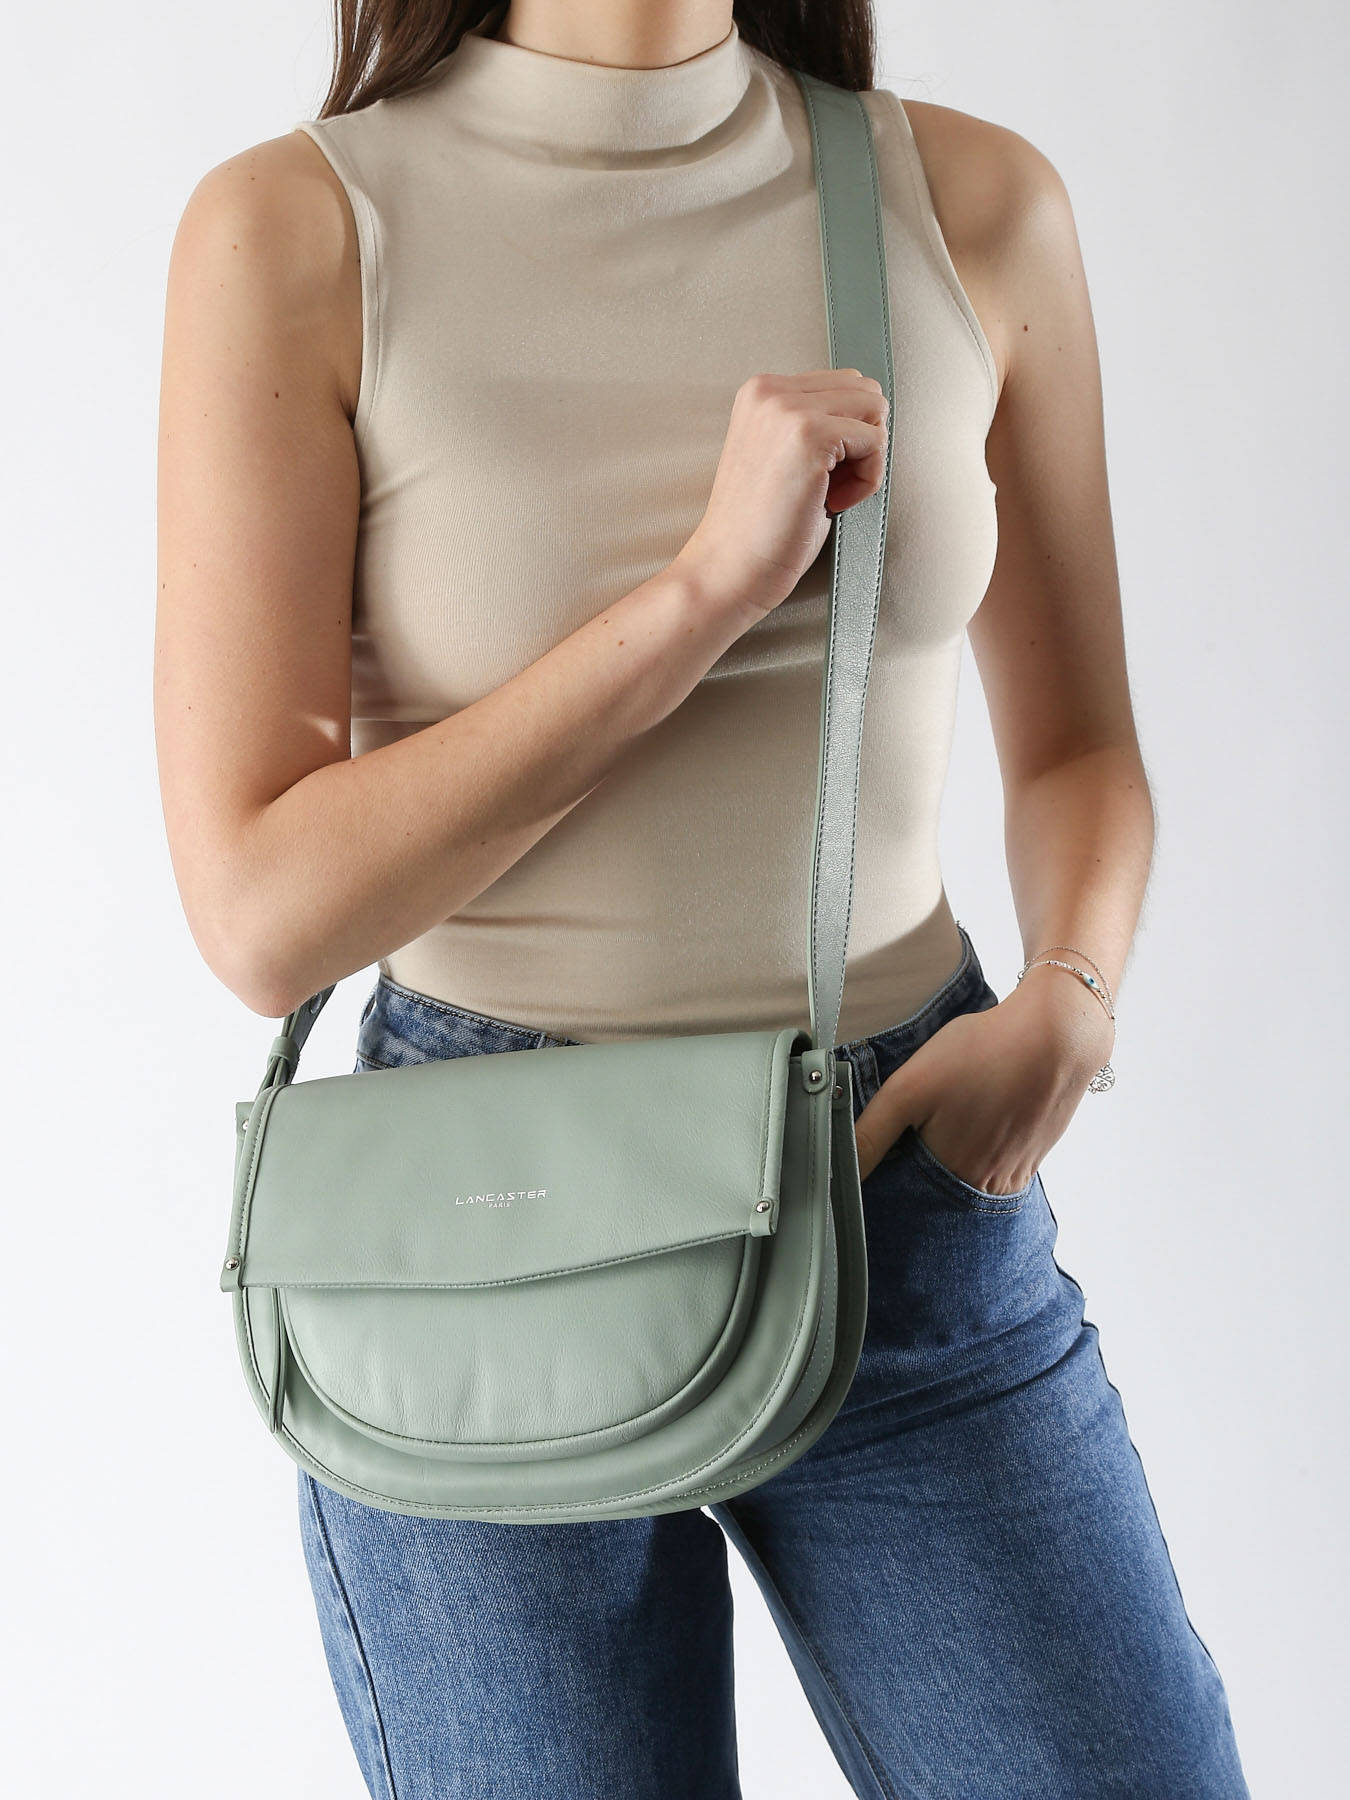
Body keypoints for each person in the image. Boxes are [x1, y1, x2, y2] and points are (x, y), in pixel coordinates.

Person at [154, 1, 1251, 1793]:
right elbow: (262, 911)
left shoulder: (969, 201)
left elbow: (1075, 747)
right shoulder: (295, 230)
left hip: (904, 1178)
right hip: (486, 1227)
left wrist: (1067, 1001)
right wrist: (702, 596)